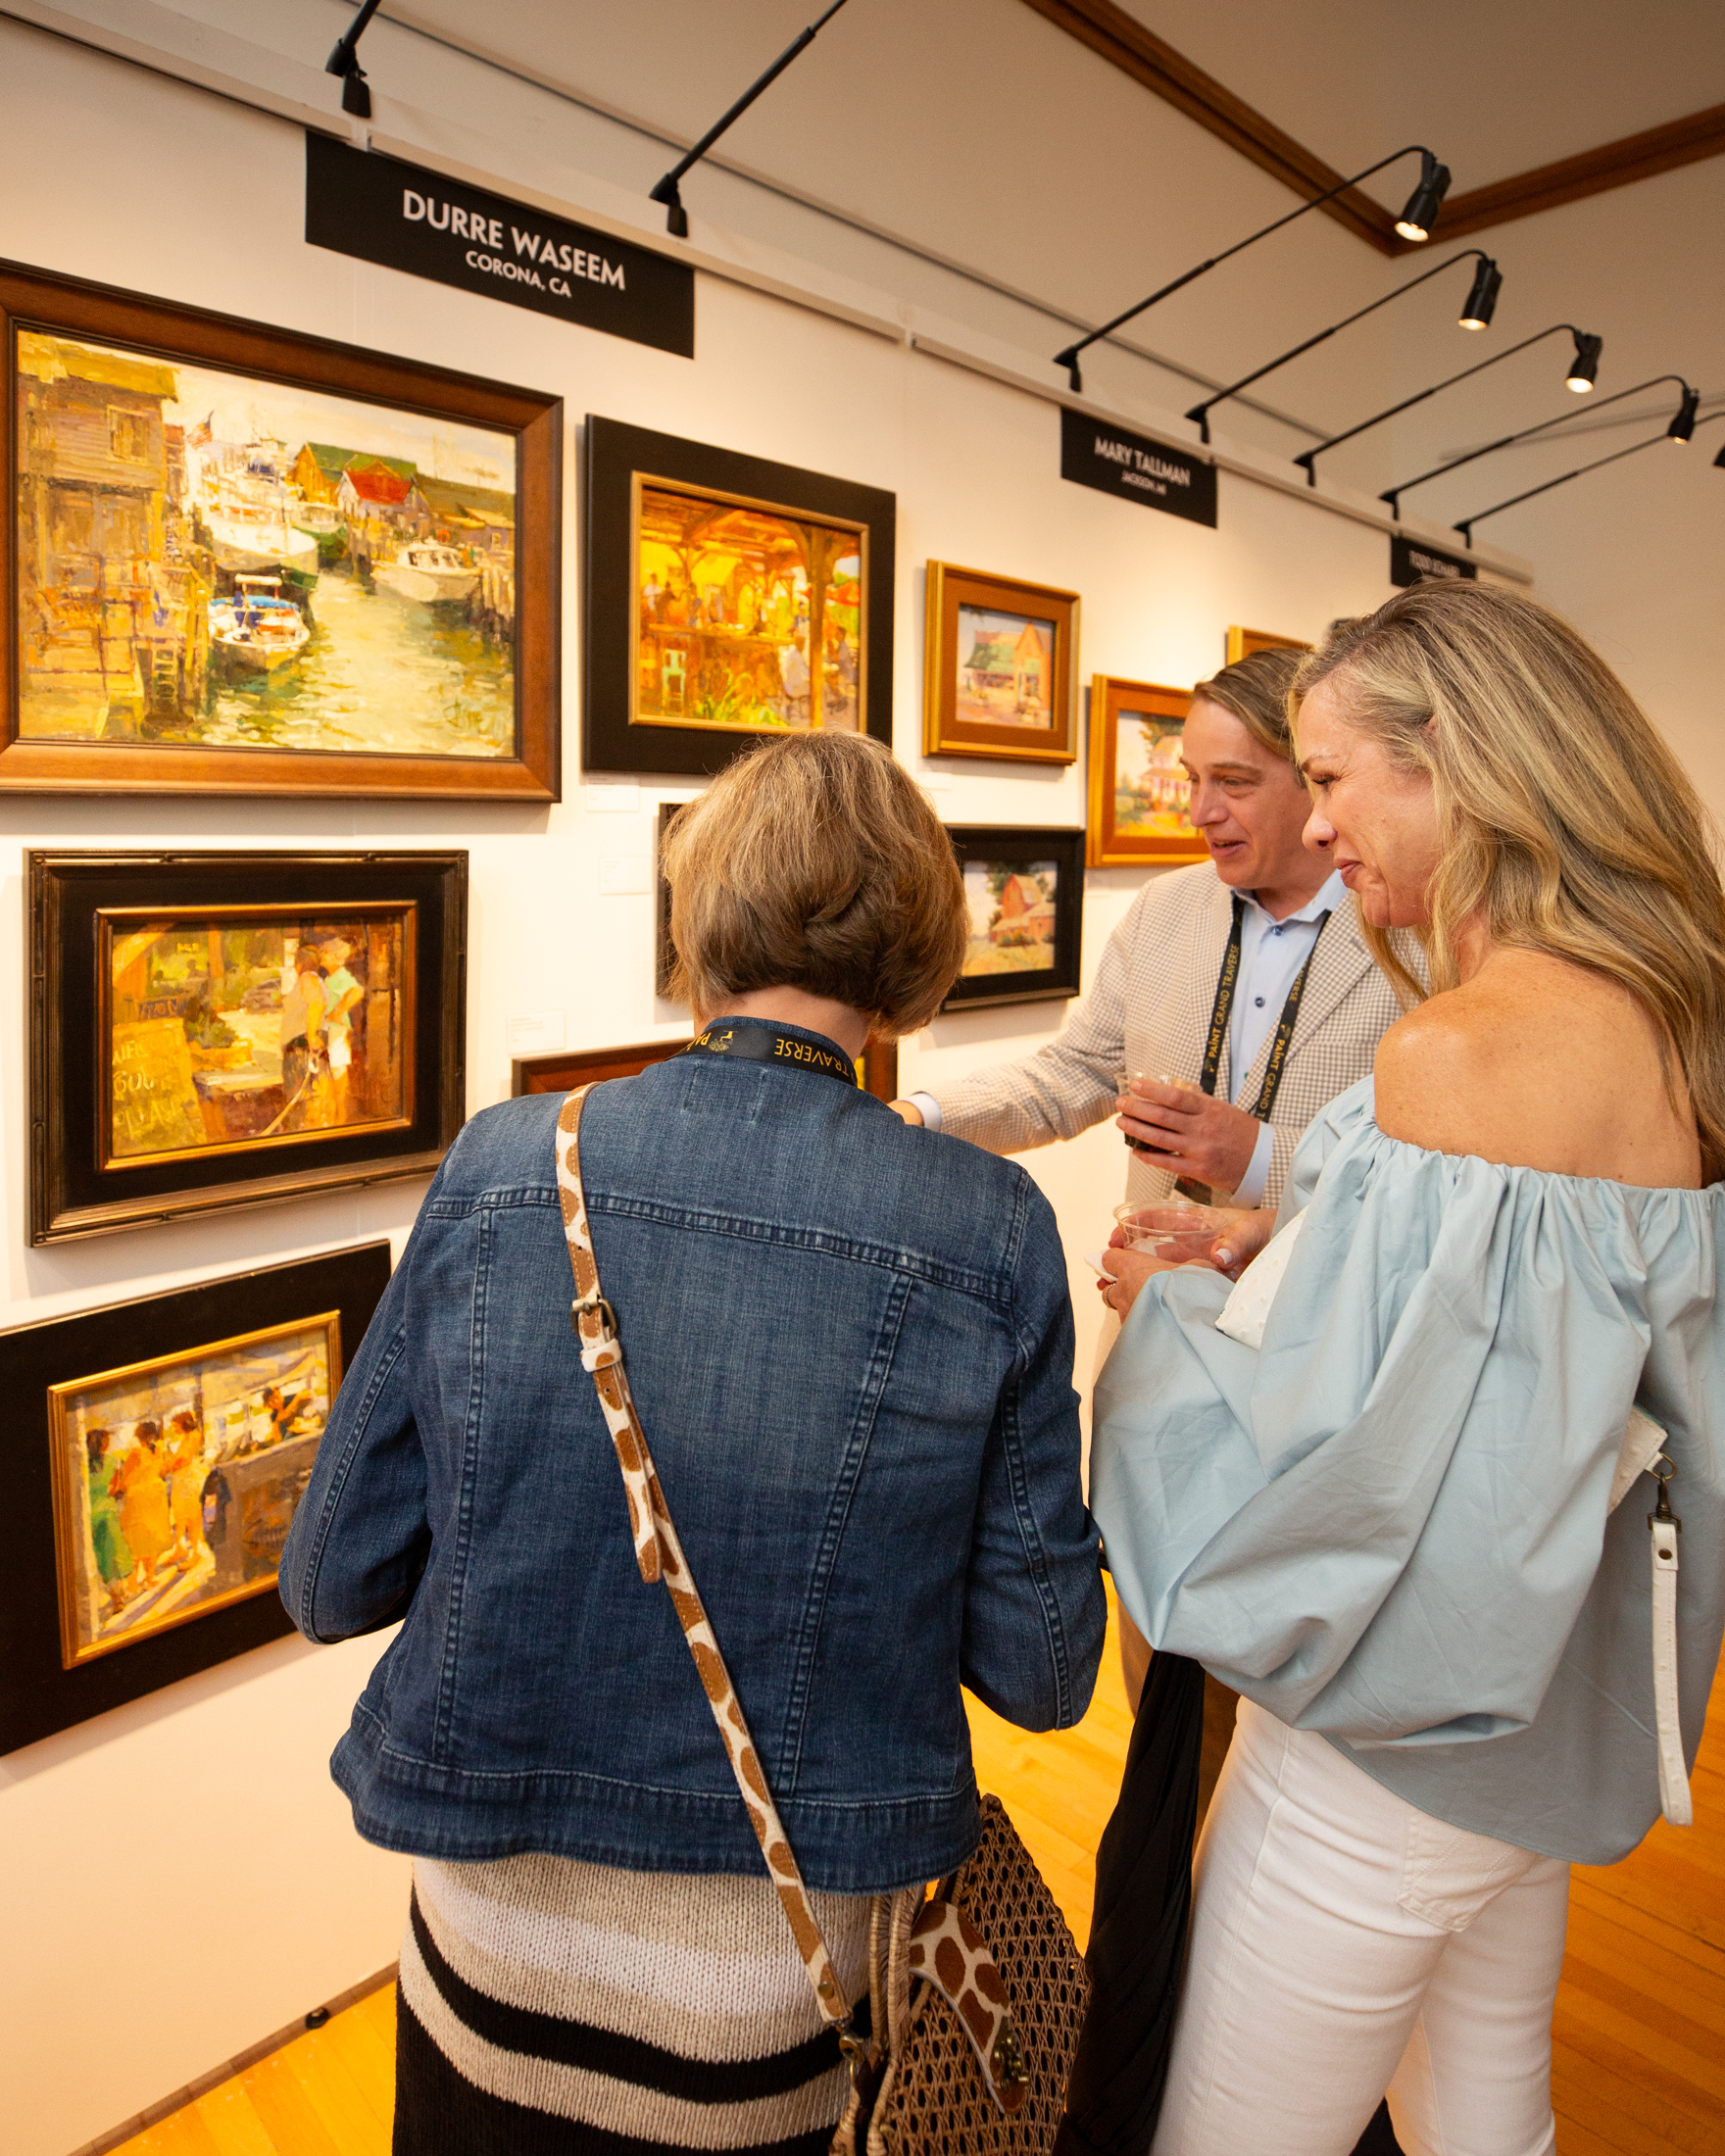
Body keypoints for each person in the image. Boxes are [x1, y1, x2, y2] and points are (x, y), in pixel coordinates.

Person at [280, 729, 1105, 2156]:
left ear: (697, 918)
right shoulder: (988, 1230)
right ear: (917, 944)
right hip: (774, 1992)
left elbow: (328, 1580)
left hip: (487, 1955)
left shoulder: (505, 1163)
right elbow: (1043, 1670)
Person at [1092, 581, 1725, 2156]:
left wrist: (1164, 1328)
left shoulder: (1457, 1048)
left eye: (1327, 773)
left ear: (1458, 765)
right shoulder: (1669, 1019)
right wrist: (1275, 1244)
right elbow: (1535, 1345)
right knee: (1487, 2112)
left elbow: (1343, 1456)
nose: (1319, 820)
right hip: (1554, 1703)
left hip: (1394, 1730)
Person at [894, 647, 1409, 1222]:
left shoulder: (1415, 935)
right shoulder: (1164, 909)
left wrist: (1260, 1158)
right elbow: (1077, 1072)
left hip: (1305, 1304)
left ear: (1314, 782)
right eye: (1192, 780)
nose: (1199, 812)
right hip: (1152, 1294)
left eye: (1233, 783)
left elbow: (1438, 1175)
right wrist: (918, 1117)